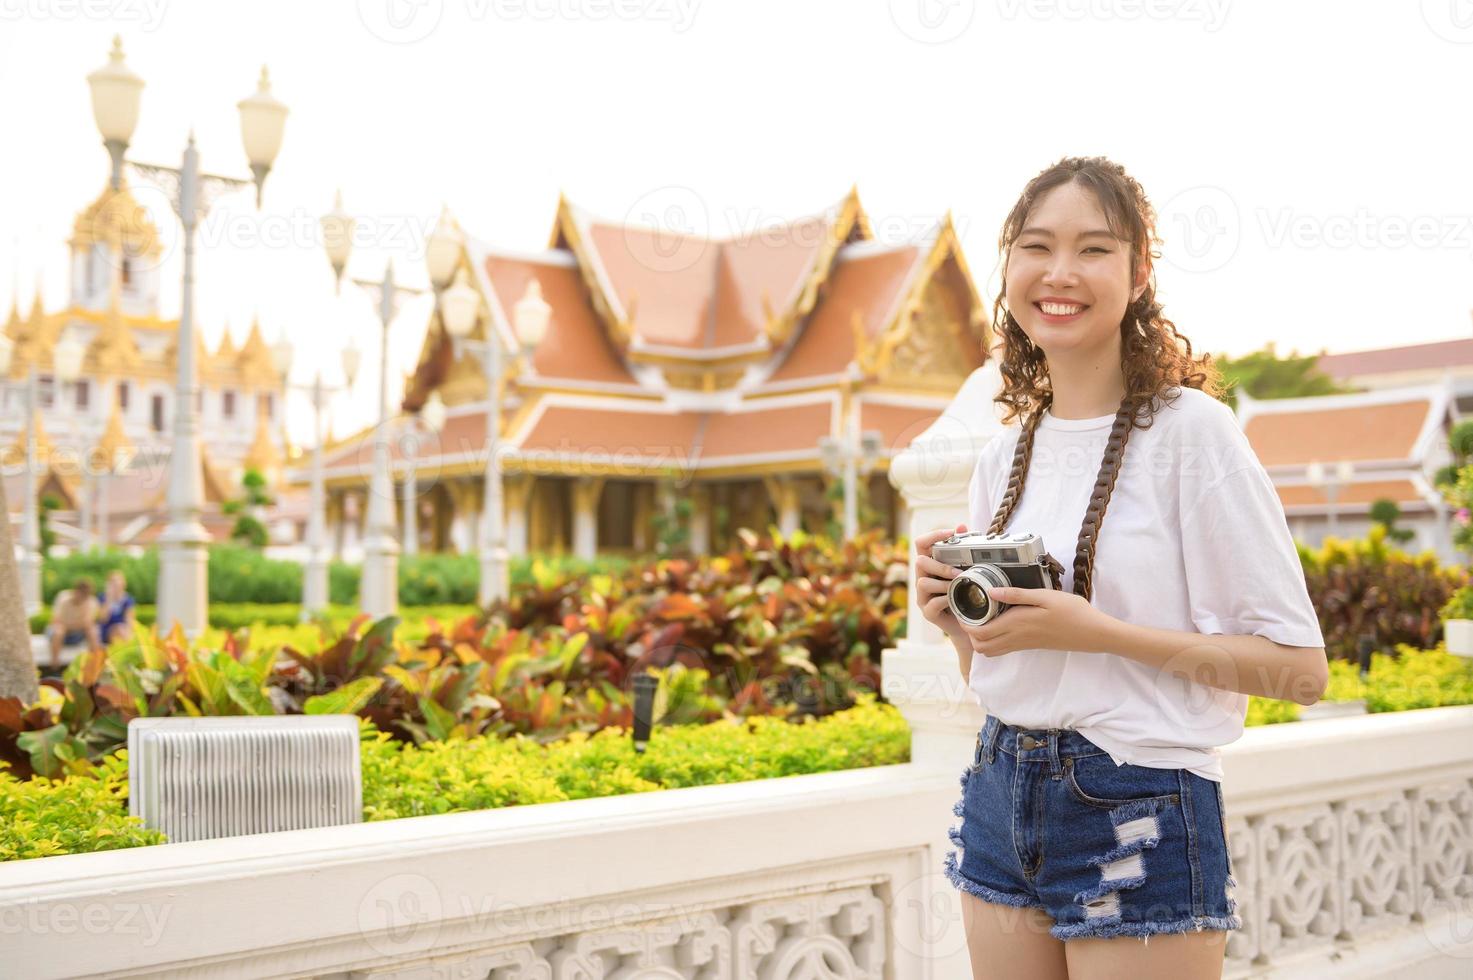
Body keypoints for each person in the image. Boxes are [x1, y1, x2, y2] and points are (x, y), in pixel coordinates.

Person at [916, 157, 1327, 979]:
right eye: (1036, 246)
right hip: (1001, 788)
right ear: (1008, 268)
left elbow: (1300, 674)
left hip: (1137, 799)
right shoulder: (1004, 454)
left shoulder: (1191, 436)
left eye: (1093, 249)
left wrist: (1099, 633)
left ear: (1139, 275)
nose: (1059, 273)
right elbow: (1005, 677)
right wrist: (956, 623)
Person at [45, 578, 102, 670]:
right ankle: (54, 666)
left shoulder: (91, 602)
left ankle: (95, 665)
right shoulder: (63, 597)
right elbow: (55, 621)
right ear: (76, 591)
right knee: (59, 630)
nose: (82, 598)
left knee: (92, 631)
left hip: (76, 634)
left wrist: (70, 624)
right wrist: (75, 624)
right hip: (58, 634)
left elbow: (88, 623)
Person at [98, 569, 137, 645]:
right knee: (119, 629)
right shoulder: (103, 598)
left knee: (122, 630)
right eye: (112, 581)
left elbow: (130, 621)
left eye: (118, 580)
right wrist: (109, 598)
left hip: (124, 630)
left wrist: (128, 632)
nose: (115, 583)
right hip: (107, 631)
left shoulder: (128, 600)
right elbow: (103, 619)